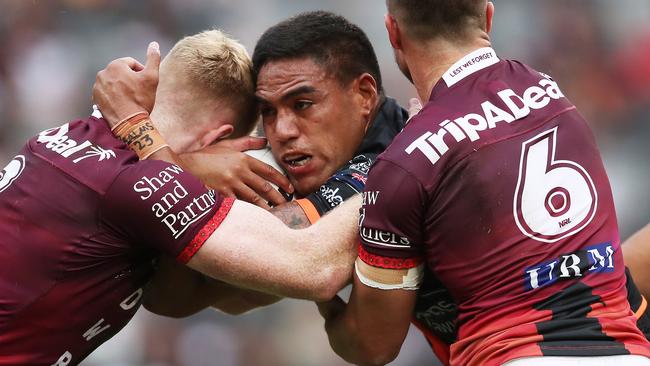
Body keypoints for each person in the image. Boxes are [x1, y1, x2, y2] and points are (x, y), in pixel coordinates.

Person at [93, 11, 650, 365]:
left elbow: (349, 323)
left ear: (365, 93)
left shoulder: (388, 170)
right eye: (268, 113)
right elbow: (190, 295)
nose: (283, 131)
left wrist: (159, 158)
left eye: (303, 104)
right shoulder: (531, 84)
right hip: (615, 328)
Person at [315, 1, 650, 365]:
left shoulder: (402, 164)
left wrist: (324, 301)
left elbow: (371, 345)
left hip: (510, 355)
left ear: (392, 31)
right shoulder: (553, 94)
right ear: (489, 16)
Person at [0, 30, 362, 366]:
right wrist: (387, 168)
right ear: (217, 138)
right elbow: (316, 270)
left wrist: (190, 166)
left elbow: (170, 298)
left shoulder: (56, 137)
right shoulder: (138, 190)